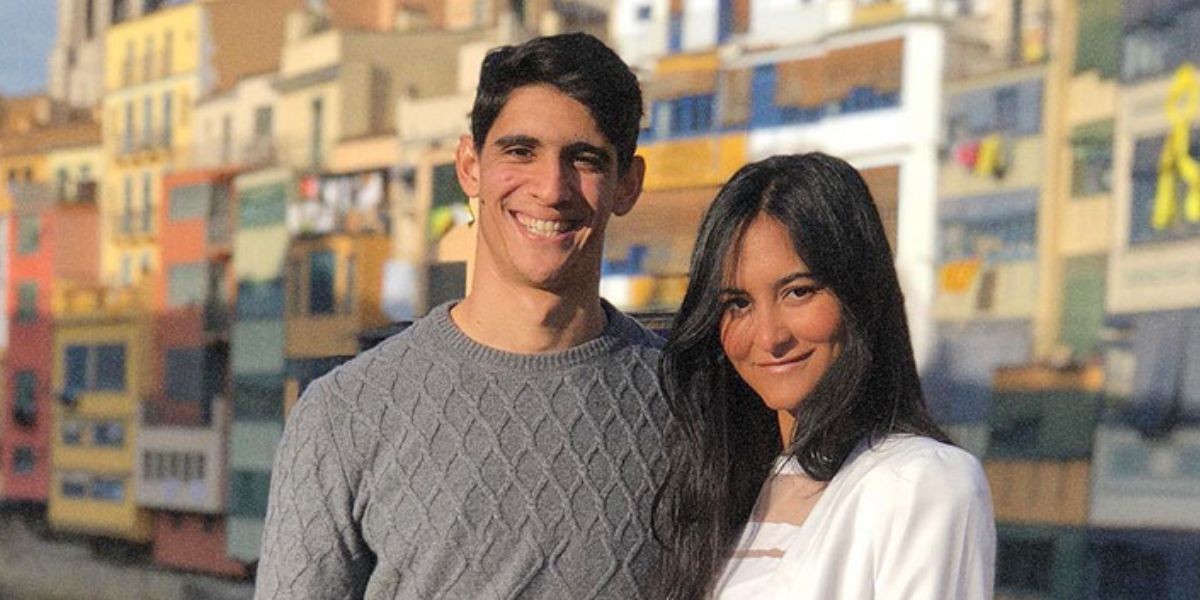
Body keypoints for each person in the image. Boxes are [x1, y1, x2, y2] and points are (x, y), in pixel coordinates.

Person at [255, 33, 667, 599]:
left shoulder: (689, 403)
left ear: (628, 185)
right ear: (469, 166)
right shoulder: (343, 415)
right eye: (520, 152)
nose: (551, 188)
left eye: (585, 158)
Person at [652, 153, 995, 599]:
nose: (769, 337)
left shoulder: (923, 481)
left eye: (798, 292)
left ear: (860, 294)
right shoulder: (727, 490)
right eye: (738, 304)